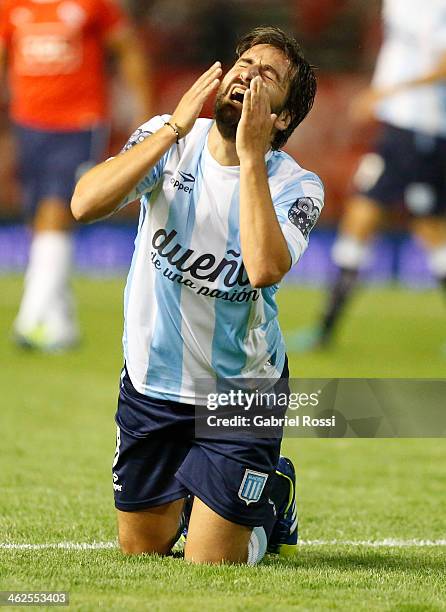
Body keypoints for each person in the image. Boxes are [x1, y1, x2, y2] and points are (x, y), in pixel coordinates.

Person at [71, 26, 323, 564]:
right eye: (245, 64)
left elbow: (262, 268)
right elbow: (84, 205)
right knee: (141, 549)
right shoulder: (170, 140)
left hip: (241, 393)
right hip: (152, 381)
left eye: (268, 76)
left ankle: (271, 496)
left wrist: (251, 157)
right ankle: (209, 495)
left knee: (210, 563)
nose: (248, 75)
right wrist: (170, 130)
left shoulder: (296, 185)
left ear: (282, 117)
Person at [288, 0, 446, 353]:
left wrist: (387, 92)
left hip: (422, 128)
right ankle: (324, 331)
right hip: (398, 129)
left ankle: (324, 331)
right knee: (367, 218)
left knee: (427, 229)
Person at [0, 0, 152, 351]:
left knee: (58, 206)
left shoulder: (92, 4)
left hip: (79, 122)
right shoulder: (12, 7)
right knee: (39, 219)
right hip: (28, 124)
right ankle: (61, 323)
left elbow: (127, 49)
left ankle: (32, 318)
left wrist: (144, 114)